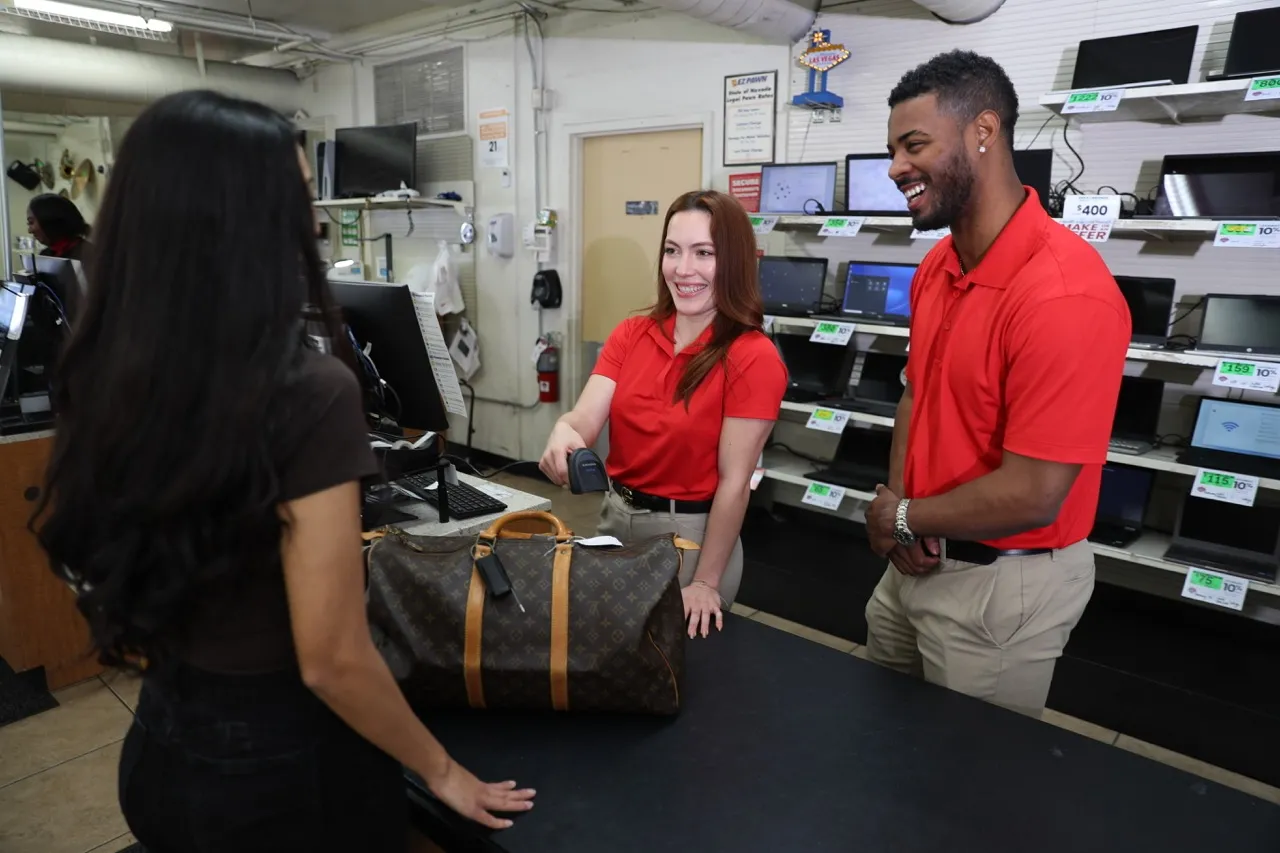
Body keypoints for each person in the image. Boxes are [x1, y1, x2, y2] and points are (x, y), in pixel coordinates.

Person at [32, 90, 533, 852]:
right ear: (238, 221)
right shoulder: (305, 391)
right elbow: (332, 658)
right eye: (299, 200)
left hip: (163, 746)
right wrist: (441, 770)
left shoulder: (113, 369)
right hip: (283, 775)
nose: (318, 222)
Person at [862, 51, 1131, 718]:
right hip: (914, 560)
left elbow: (1035, 493)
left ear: (984, 131)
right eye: (893, 148)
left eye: (914, 144)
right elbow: (915, 395)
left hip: (1001, 587)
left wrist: (900, 516)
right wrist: (899, 507)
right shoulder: (938, 268)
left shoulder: (1064, 294)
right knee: (880, 755)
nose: (896, 166)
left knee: (971, 798)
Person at [538, 190, 787, 639]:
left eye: (703, 253)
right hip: (614, 518)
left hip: (691, 538)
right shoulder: (633, 333)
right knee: (609, 655)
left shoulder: (752, 356)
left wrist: (706, 582)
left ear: (733, 261)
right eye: (672, 251)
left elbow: (735, 484)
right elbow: (584, 419)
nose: (683, 269)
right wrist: (563, 430)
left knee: (677, 679)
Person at [27, 193, 91, 261]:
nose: (29, 231)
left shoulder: (91, 255)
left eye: (31, 222)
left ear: (50, 221)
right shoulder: (45, 255)